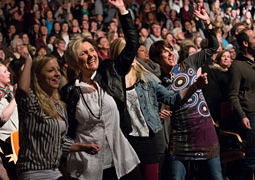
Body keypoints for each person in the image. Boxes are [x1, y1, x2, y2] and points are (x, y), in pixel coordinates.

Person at [61, 0, 143, 179]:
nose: (90, 55)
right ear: (75, 61)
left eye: (92, 50)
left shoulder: (110, 71)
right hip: (88, 165)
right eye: (84, 53)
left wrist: (122, 10)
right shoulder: (69, 92)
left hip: (122, 159)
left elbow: (132, 44)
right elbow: (67, 131)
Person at [110, 37, 208, 180]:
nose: (129, 55)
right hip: (125, 142)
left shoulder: (146, 78)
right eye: (124, 52)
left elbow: (172, 99)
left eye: (131, 51)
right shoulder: (110, 83)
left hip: (148, 141)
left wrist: (194, 87)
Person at [149, 6, 222, 180]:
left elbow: (213, 47)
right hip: (181, 135)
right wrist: (158, 113)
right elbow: (152, 109)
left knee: (216, 177)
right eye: (163, 52)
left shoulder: (188, 63)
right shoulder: (158, 83)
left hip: (204, 129)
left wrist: (207, 23)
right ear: (156, 60)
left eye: (169, 49)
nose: (169, 53)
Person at [15, 47, 100, 180]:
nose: (57, 74)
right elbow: (22, 89)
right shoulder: (32, 101)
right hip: (33, 172)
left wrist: (83, 147)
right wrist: (28, 60)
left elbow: (60, 141)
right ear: (37, 76)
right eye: (50, 70)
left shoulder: (59, 105)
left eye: (58, 70)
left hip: (54, 171)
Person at [228, 28, 255, 180]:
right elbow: (233, 95)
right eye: (254, 37)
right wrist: (242, 116)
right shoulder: (237, 66)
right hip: (250, 114)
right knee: (251, 158)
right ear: (245, 43)